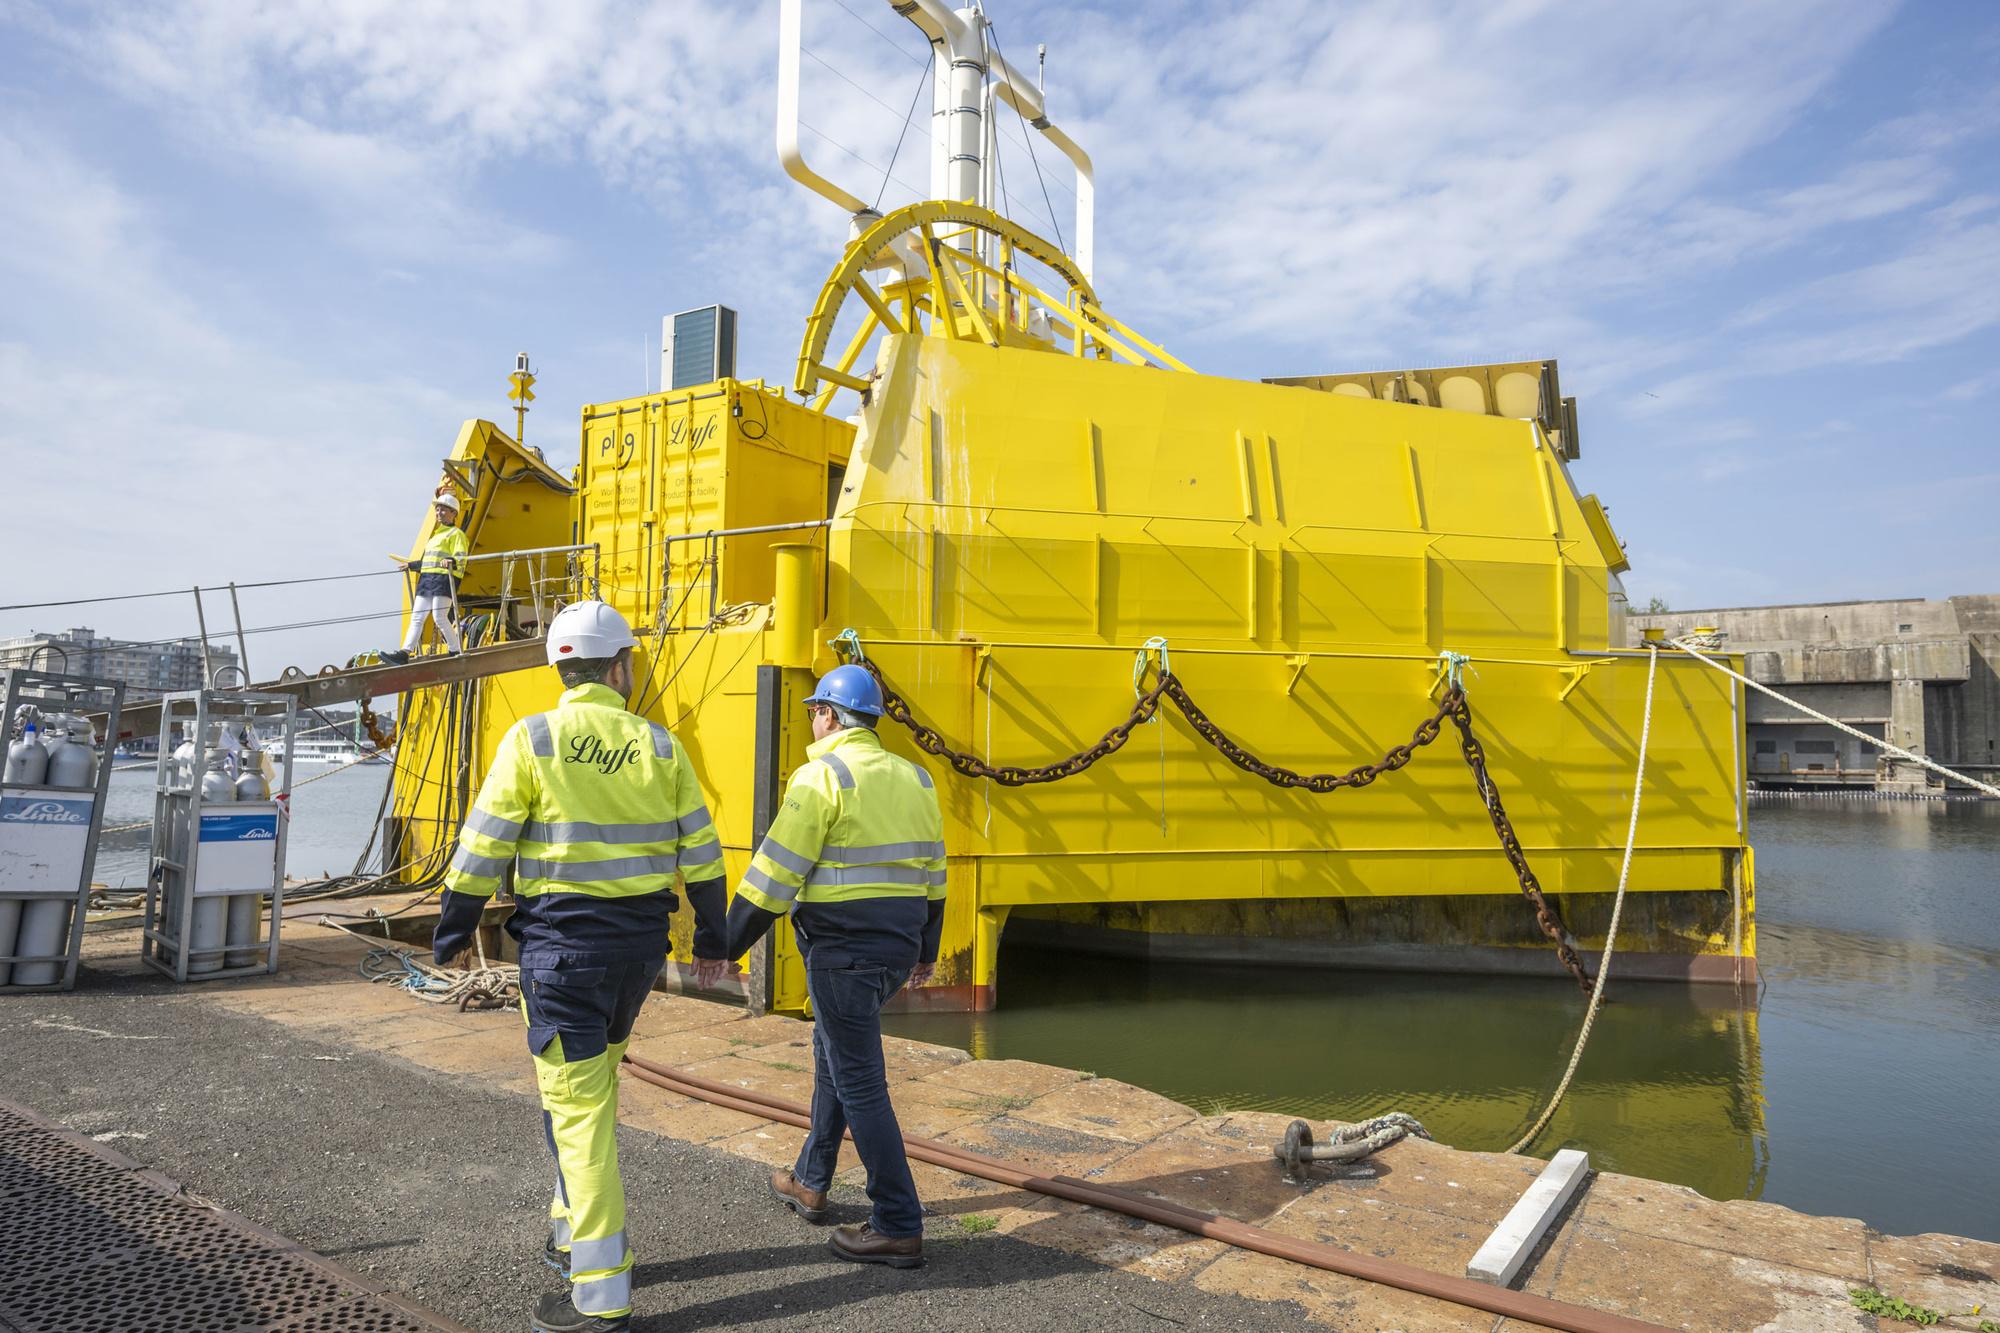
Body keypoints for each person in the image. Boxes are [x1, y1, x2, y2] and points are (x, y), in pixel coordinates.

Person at [433, 599, 726, 1333]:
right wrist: (716, 938)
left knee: (581, 1114)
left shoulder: (533, 738)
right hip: (636, 959)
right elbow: (703, 852)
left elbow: (483, 844)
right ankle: (571, 1233)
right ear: (621, 667)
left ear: (560, 668)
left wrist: (453, 928)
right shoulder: (661, 747)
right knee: (584, 1094)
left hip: (561, 956)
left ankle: (600, 1297)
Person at [705, 662, 947, 1269]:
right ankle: (811, 1180)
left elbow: (774, 873)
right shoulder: (917, 780)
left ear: (830, 716)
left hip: (842, 952)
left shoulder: (821, 776)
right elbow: (935, 876)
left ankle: (897, 1221)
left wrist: (724, 943)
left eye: (815, 710)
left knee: (861, 1081)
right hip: (895, 949)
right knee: (832, 1054)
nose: (810, 720)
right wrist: (926, 950)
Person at [382, 491, 468, 664]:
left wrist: (451, 560)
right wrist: (412, 566)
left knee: (439, 617)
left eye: (444, 509)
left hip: (443, 581)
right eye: (438, 510)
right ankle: (404, 653)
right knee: (417, 617)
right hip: (427, 580)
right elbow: (429, 561)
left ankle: (455, 650)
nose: (439, 513)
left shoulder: (456, 534)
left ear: (454, 513)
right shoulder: (435, 536)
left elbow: (461, 558)